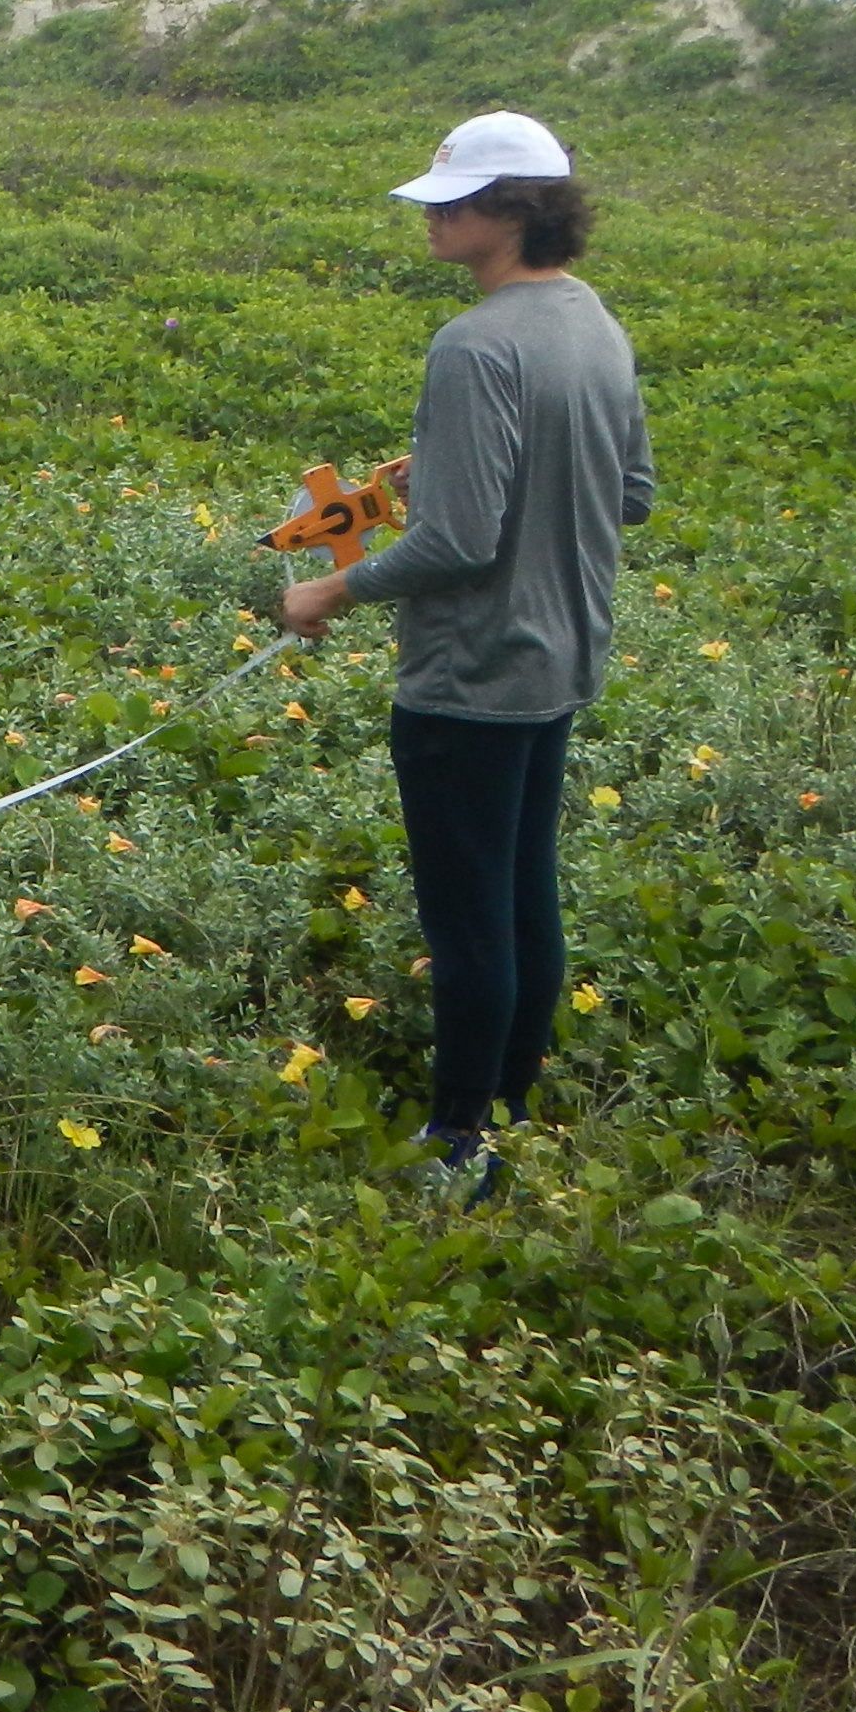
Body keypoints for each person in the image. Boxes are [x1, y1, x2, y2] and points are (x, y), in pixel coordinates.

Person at [280, 110, 656, 1195]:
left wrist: (329, 587)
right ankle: (513, 1106)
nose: (433, 216)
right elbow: (627, 493)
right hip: (561, 657)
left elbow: (456, 541)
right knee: (522, 891)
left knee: (465, 914)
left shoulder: (474, 344)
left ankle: (458, 1143)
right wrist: (458, 462)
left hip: (471, 673)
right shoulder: (593, 323)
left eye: (453, 200)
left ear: (514, 212)